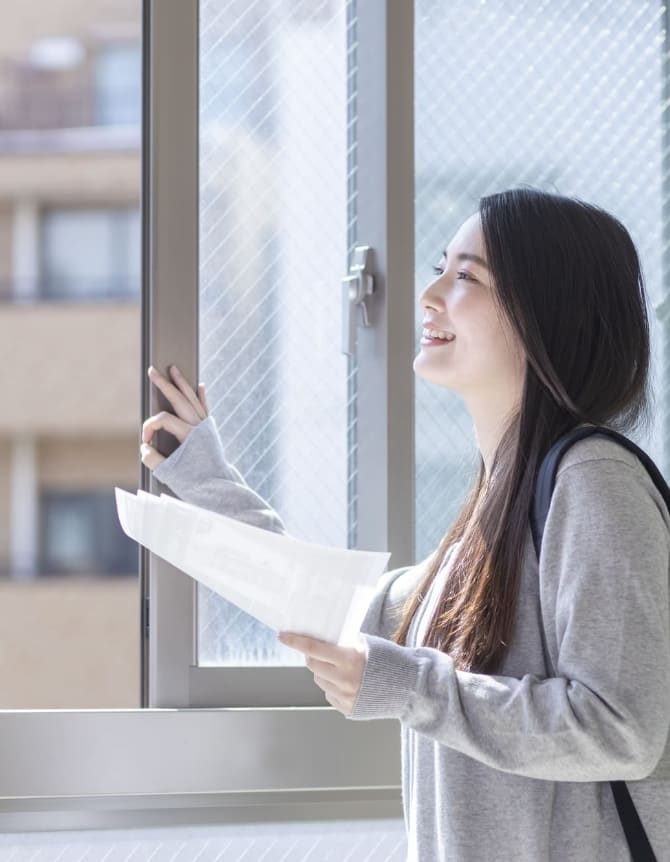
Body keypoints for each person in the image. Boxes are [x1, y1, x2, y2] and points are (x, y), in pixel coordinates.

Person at [140, 187, 670, 861]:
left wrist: (412, 684)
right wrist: (200, 472)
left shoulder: (594, 482)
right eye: (441, 266)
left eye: (466, 276)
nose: (429, 294)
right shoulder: (488, 518)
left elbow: (621, 727)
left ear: (546, 312)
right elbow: (326, 608)